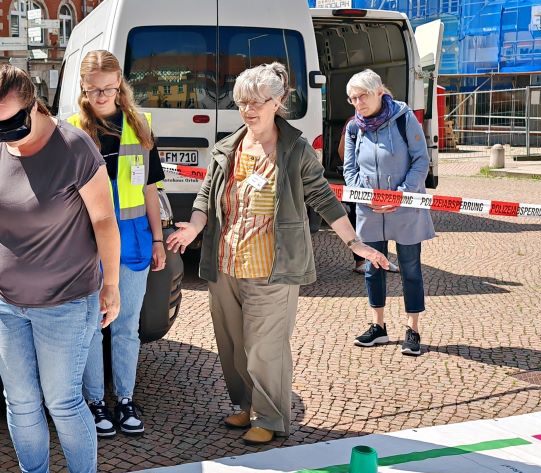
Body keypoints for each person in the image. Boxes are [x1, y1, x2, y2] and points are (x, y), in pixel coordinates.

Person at [166, 63, 389, 445]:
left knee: (264, 348)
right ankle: (244, 404)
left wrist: (354, 243)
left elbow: (322, 197)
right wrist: (195, 226)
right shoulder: (228, 147)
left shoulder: (295, 149)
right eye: (242, 103)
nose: (249, 110)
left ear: (278, 102)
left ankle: (271, 417)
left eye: (256, 102)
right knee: (233, 345)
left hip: (272, 267)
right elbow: (206, 196)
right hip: (225, 264)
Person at [0, 64, 120, 473]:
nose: (1, 135)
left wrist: (110, 287)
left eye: (9, 124)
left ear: (34, 105)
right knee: (20, 402)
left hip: (67, 301)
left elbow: (104, 221)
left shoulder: (74, 148)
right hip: (8, 302)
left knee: (63, 401)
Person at [68, 50, 165, 438]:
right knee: (91, 326)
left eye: (109, 88)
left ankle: (124, 399)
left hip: (135, 242)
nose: (102, 96)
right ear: (83, 88)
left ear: (120, 85)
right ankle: (95, 402)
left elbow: (149, 190)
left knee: (126, 327)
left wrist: (158, 238)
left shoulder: (140, 125)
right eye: (94, 90)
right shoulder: (72, 130)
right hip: (87, 246)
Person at [343, 69, 434, 356]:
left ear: (380, 92)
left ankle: (413, 329)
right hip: (370, 210)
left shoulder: (404, 118)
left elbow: (421, 160)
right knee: (372, 267)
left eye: (363, 96)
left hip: (405, 208)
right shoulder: (353, 128)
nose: (358, 103)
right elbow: (349, 169)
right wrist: (366, 197)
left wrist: (402, 193)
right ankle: (378, 327)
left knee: (410, 269)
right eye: (352, 99)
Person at [338, 125, 399, 275]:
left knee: (383, 222)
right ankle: (361, 261)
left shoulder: (388, 123)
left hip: (381, 185)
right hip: (360, 184)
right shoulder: (352, 124)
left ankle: (381, 258)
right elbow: (343, 152)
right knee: (357, 220)